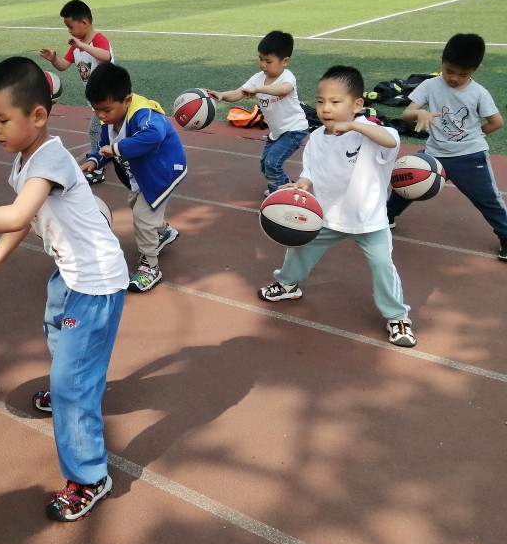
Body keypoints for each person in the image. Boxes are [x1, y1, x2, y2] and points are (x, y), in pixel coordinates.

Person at [0, 57, 127, 522]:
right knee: (55, 330)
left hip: (96, 283)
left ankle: (90, 478)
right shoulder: (25, 161)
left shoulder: (50, 158)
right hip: (70, 273)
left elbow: (15, 215)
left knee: (72, 381)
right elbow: (24, 219)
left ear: (37, 115)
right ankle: (73, 384)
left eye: (1, 119)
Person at [257, 65, 415, 348]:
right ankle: (287, 284)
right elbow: (310, 172)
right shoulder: (317, 138)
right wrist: (302, 183)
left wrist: (354, 125)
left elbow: (392, 140)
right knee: (299, 250)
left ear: (357, 105)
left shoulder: (371, 133)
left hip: (368, 220)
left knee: (382, 265)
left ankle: (397, 316)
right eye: (320, 101)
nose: (326, 108)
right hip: (327, 216)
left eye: (335, 101)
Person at [386, 33, 507, 261]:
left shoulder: (479, 93)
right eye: (449, 71)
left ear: (476, 69)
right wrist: (420, 113)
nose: (454, 78)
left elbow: (496, 122)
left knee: (487, 199)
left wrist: (474, 135)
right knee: (405, 183)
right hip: (434, 154)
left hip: (469, 156)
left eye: (463, 74)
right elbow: (407, 113)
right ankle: (386, 216)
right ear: (442, 61)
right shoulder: (430, 85)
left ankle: (506, 235)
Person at [80, 63, 186, 292]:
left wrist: (116, 149)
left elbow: (154, 135)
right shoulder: (109, 120)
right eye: (96, 109)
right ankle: (163, 232)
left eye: (106, 110)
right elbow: (104, 145)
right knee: (135, 204)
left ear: (127, 100)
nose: (100, 115)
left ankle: (151, 267)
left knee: (143, 215)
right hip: (142, 174)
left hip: (164, 171)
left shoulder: (144, 114)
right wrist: (95, 160)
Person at [206, 31, 309, 197]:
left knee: (272, 163)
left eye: (268, 61)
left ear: (285, 61)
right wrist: (221, 95)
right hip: (277, 132)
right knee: (265, 164)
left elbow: (283, 89)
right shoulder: (257, 78)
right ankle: (283, 186)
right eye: (261, 59)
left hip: (294, 129)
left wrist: (258, 89)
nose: (263, 65)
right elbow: (238, 93)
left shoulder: (287, 77)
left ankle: (282, 195)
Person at [39, 0, 115, 185]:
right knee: (111, 130)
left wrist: (82, 46)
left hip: (109, 98)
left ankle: (97, 168)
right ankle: (111, 153)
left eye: (70, 26)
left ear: (84, 23)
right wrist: (53, 59)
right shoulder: (76, 46)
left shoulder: (98, 40)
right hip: (96, 99)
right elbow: (63, 65)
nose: (69, 31)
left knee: (95, 130)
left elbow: (106, 56)